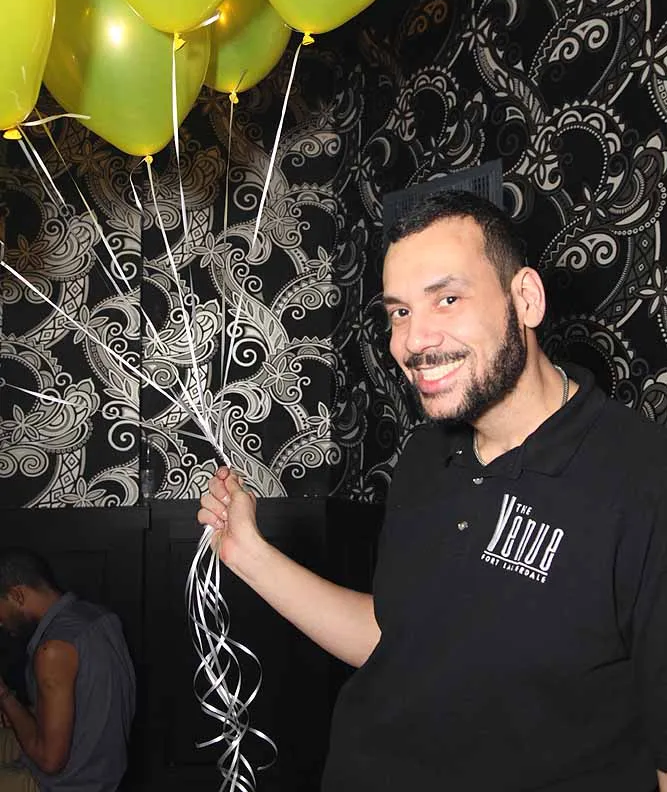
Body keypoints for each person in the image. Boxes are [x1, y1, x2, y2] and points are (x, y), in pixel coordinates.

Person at [198, 190, 667, 792]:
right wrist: (248, 554)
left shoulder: (642, 478)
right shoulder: (425, 454)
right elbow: (395, 638)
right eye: (399, 312)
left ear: (525, 298)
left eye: (447, 299)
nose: (414, 340)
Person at [0, 549, 136, 792]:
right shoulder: (100, 617)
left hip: (69, 783)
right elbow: (88, 705)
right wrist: (22, 712)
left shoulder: (52, 650)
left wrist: (5, 696)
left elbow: (49, 761)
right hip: (104, 769)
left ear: (17, 595)